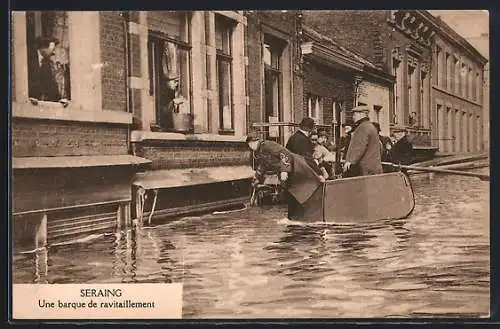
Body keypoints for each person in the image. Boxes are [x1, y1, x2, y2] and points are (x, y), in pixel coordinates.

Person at [246, 134, 324, 220]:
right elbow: (263, 165)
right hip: (289, 173)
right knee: (293, 193)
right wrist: (256, 178)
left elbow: (284, 153)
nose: (251, 146)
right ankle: (295, 217)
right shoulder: (259, 151)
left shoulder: (267, 145)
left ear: (257, 141)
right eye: (249, 144)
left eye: (252, 143)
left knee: (305, 189)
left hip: (295, 168)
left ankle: (306, 215)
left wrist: (285, 170)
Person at [29, 36, 69, 106]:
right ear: (43, 49)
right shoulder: (30, 60)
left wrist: (60, 99)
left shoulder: (48, 63)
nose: (54, 53)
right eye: (52, 49)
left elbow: (51, 85)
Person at [343, 106, 383, 176]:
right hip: (372, 167)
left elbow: (359, 146)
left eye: (355, 114)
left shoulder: (363, 127)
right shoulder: (369, 126)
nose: (353, 117)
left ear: (362, 114)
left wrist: (350, 161)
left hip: (365, 169)